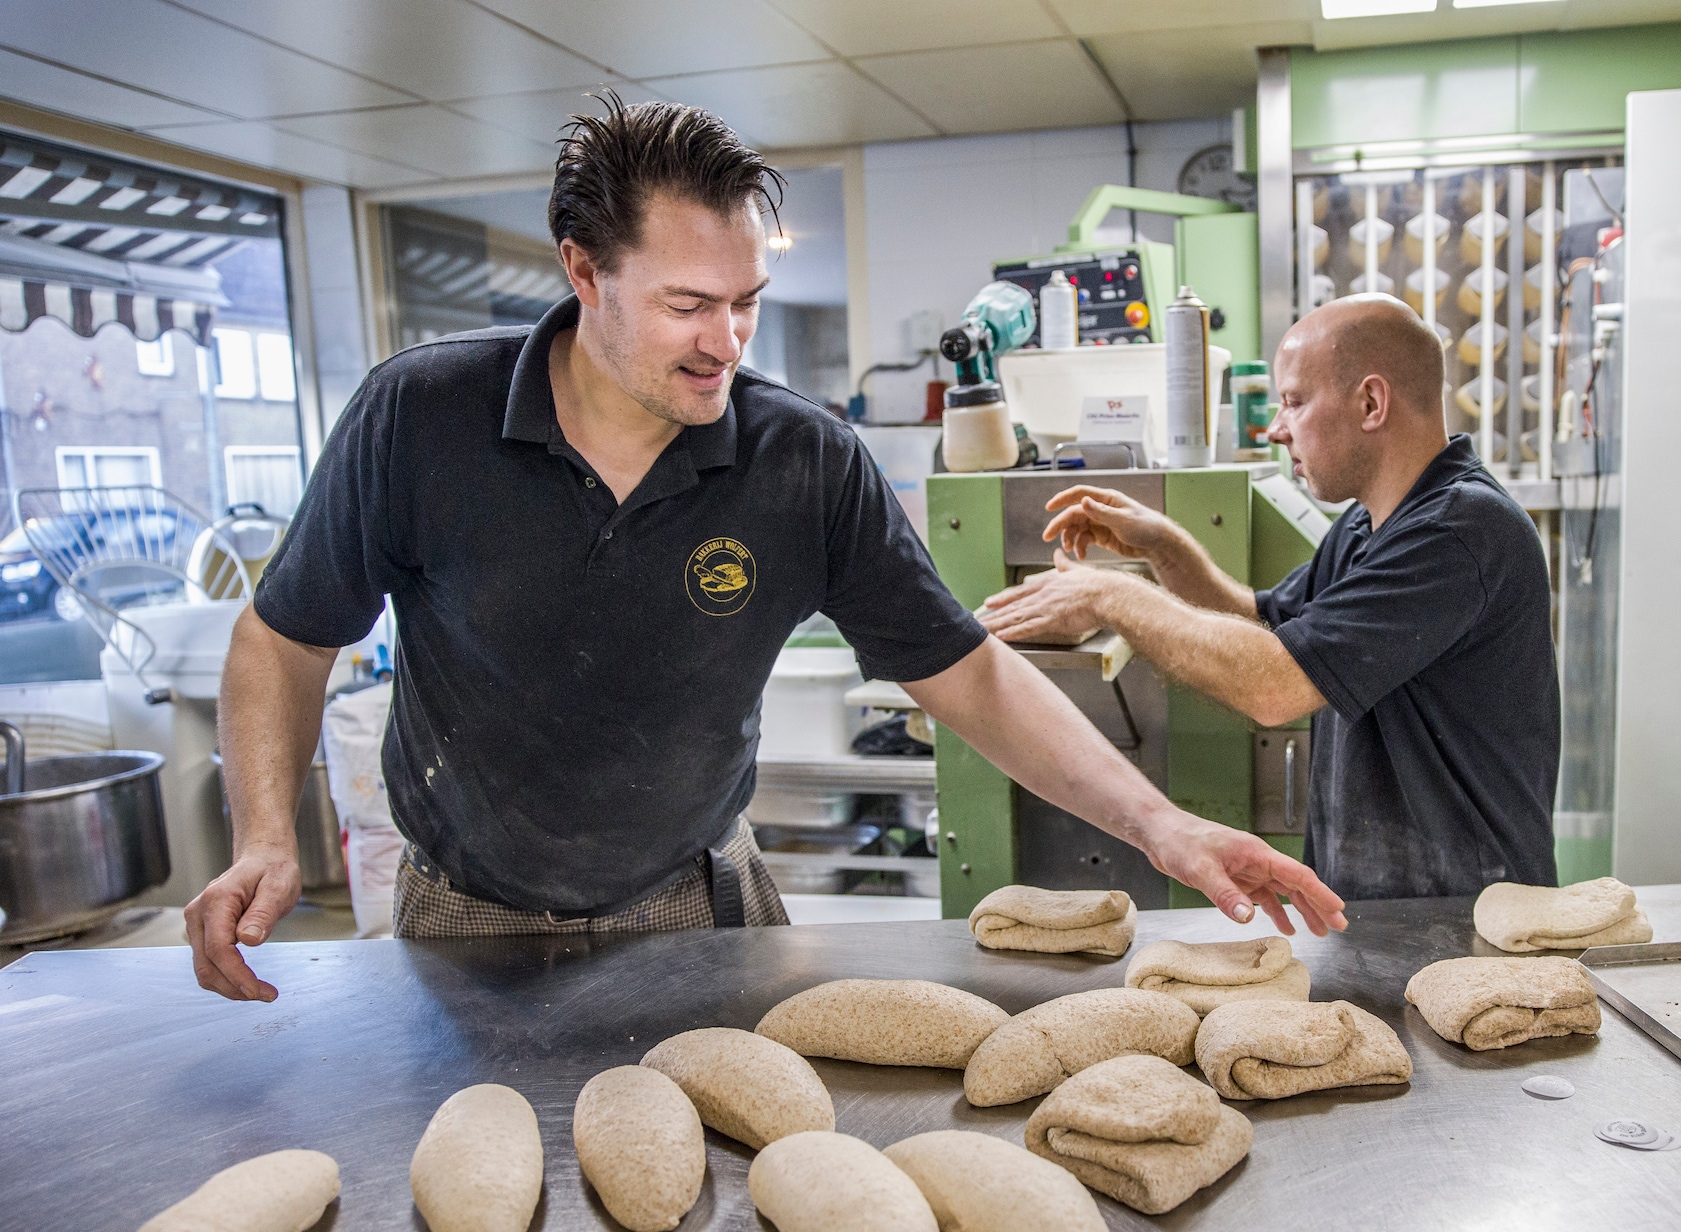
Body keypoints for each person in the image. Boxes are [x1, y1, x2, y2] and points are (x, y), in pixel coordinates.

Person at [184, 98, 1346, 1003]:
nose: (726, 341)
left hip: (700, 904)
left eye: (747, 301)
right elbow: (284, 638)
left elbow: (965, 676)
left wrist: (1161, 824)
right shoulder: (421, 418)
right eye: (690, 304)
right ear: (582, 271)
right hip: (464, 910)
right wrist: (262, 838)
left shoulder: (801, 461)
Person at [978, 294, 1558, 902]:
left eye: (1294, 401)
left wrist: (1109, 595)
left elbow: (1273, 684)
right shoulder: (1371, 524)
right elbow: (1262, 624)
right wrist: (1163, 549)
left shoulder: (1460, 531)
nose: (1275, 428)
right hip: (1390, 913)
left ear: (1370, 402)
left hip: (1468, 917)